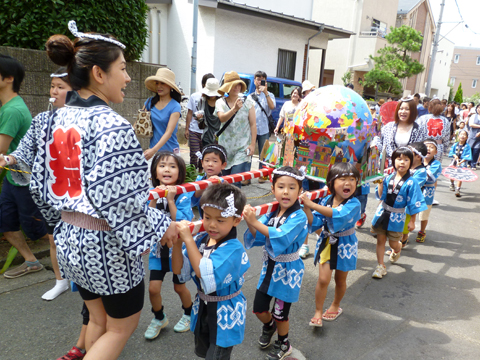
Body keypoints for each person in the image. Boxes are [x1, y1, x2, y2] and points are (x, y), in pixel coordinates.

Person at [3, 21, 178, 360]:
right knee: (120, 327)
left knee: (98, 318)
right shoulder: (113, 125)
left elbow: (39, 180)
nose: (128, 78)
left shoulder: (52, 120)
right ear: (99, 73)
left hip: (69, 238)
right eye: (123, 69)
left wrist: (60, 220)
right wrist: (162, 225)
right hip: (105, 246)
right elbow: (120, 199)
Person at [172, 183, 250, 360]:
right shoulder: (201, 240)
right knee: (205, 352)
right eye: (207, 217)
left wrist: (187, 240)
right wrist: (178, 242)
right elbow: (179, 271)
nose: (212, 225)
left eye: (220, 220)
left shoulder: (233, 248)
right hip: (203, 309)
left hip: (225, 312)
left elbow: (204, 274)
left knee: (216, 356)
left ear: (236, 220)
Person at [243, 166, 308, 360]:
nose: (286, 192)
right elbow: (259, 235)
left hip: (288, 272)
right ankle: (269, 326)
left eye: (291, 187)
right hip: (269, 268)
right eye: (281, 186)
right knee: (259, 309)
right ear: (273, 189)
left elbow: (281, 236)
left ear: (300, 191)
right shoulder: (272, 213)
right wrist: (250, 221)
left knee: (281, 313)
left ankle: (284, 343)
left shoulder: (299, 216)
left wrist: (255, 222)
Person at [0, 54, 48, 279]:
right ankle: (31, 261)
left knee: (38, 229)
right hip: (12, 179)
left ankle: (76, 248)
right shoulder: (6, 106)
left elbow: (1, 151)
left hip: (25, 180)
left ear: (8, 78)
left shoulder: (12, 111)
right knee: (6, 225)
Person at [300, 163, 361, 327]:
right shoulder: (326, 200)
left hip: (345, 244)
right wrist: (307, 208)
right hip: (327, 242)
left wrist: (312, 204)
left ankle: (335, 305)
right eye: (342, 179)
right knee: (323, 279)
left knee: (340, 279)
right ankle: (318, 311)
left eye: (352, 179)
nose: (347, 183)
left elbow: (339, 215)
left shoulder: (354, 203)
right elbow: (316, 222)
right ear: (332, 183)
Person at [145, 151, 194, 339]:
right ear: (155, 172)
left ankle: (189, 314)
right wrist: (155, 198)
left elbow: (182, 221)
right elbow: (146, 219)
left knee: (179, 287)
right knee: (153, 289)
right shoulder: (150, 193)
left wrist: (171, 200)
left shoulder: (183, 193)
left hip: (177, 250)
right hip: (158, 251)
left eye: (172, 166)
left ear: (179, 173)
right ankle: (159, 317)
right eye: (162, 166)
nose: (167, 169)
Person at [371, 147, 427, 279]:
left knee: (392, 243)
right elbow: (380, 196)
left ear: (411, 162)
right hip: (383, 212)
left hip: (397, 216)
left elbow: (414, 202)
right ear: (393, 161)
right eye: (399, 159)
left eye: (406, 159)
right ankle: (380, 266)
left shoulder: (412, 182)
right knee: (380, 240)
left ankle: (397, 248)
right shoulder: (387, 177)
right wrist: (379, 183)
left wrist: (413, 221)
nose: (402, 162)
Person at [216, 71, 256, 187]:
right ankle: (226, 204)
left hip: (242, 148)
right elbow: (222, 118)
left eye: (239, 84)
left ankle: (236, 204)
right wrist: (234, 109)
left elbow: (253, 124)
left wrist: (252, 144)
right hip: (224, 148)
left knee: (235, 181)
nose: (237, 87)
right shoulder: (220, 102)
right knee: (225, 182)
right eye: (234, 85)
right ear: (227, 87)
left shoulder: (248, 102)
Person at [371, 96, 426, 164]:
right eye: (401, 109)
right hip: (388, 168)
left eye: (407, 109)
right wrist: (374, 142)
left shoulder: (419, 130)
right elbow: (379, 140)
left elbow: (421, 152)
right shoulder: (388, 127)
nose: (403, 112)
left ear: (413, 111)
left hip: (409, 168)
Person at [143, 68, 182, 160]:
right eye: (157, 83)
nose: (159, 86)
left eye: (162, 83)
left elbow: (168, 132)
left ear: (170, 86)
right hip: (153, 150)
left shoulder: (175, 106)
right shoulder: (149, 102)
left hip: (170, 152)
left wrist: (153, 151)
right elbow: (138, 124)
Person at [247, 71, 276, 184]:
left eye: (262, 79)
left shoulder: (270, 95)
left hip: (264, 129)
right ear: (254, 81)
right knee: (249, 152)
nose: (260, 81)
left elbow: (272, 106)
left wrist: (266, 92)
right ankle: (247, 177)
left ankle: (262, 175)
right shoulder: (250, 97)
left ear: (266, 81)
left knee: (264, 154)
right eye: (258, 79)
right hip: (251, 130)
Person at [400, 142, 427, 248]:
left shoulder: (421, 171)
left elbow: (413, 185)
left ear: (418, 156)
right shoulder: (406, 166)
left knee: (406, 222)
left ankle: (403, 240)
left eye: (409, 153)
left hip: (411, 200)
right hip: (400, 198)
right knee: (398, 220)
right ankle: (398, 240)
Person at [185, 73, 215, 167]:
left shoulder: (215, 98)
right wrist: (186, 128)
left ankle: (202, 175)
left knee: (205, 155)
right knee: (194, 154)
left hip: (207, 132)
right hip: (194, 130)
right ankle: (192, 173)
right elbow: (189, 112)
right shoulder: (195, 96)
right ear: (203, 84)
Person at [191, 144, 228, 219]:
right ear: (202, 163)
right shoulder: (199, 179)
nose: (210, 164)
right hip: (203, 218)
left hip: (220, 219)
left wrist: (223, 185)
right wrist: (206, 183)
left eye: (215, 161)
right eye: (207, 161)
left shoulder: (225, 181)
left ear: (223, 165)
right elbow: (193, 199)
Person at [416, 139, 442, 243]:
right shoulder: (417, 160)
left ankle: (422, 231)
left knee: (424, 214)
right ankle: (405, 234)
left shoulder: (436, 164)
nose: (428, 149)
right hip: (415, 190)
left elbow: (428, 176)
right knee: (410, 211)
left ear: (436, 152)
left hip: (427, 192)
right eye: (426, 146)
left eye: (432, 147)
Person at [198, 78, 222, 148]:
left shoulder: (222, 102)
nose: (212, 95)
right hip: (206, 135)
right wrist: (199, 118)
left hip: (220, 135)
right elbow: (200, 123)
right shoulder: (202, 101)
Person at [449, 129, 472, 197]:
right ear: (458, 136)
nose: (463, 136)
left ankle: (458, 189)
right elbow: (451, 152)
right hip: (454, 162)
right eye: (461, 134)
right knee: (452, 175)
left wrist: (461, 162)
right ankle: (452, 183)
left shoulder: (467, 146)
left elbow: (467, 155)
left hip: (462, 163)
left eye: (464, 135)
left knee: (460, 176)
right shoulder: (455, 144)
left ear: (467, 137)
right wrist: (455, 155)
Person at [467, 104, 480, 170]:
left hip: (479, 137)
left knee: (476, 150)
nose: (479, 109)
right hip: (472, 135)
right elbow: (471, 124)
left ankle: (473, 164)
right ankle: (468, 162)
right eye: (478, 108)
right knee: (470, 149)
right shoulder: (474, 116)